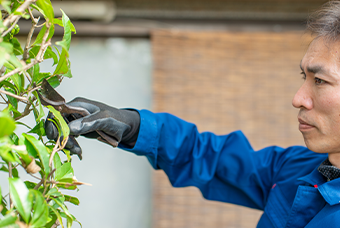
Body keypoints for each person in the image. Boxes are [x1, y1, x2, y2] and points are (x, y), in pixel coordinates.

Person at [45, 1, 340, 227]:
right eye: (303, 77)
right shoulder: (298, 169)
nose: (298, 98)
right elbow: (210, 157)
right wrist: (133, 127)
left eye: (320, 81)